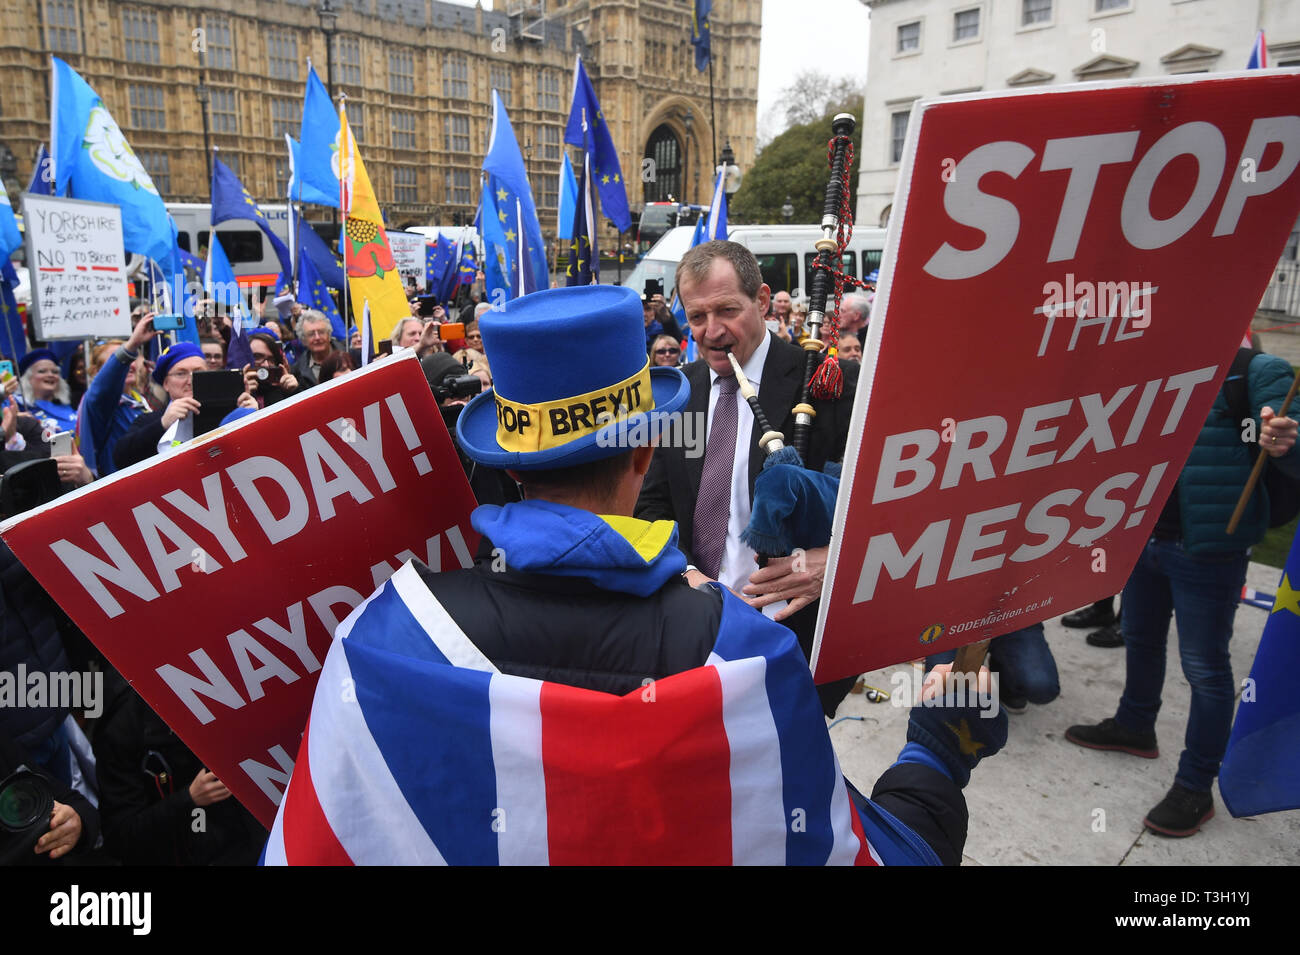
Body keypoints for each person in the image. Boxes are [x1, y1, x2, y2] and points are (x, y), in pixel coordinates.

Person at [263, 284, 1005, 866]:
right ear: (645, 452)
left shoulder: (378, 640)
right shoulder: (742, 655)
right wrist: (934, 751)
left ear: (506, 462)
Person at [1066, 345, 1300, 837]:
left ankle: (1195, 785)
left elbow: (1290, 438)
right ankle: (1134, 725)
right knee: (1140, 637)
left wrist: (1284, 441)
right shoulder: (1151, 361)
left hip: (1209, 548)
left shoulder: (1256, 371)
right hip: (1141, 535)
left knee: (1206, 670)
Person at [635, 240, 860, 715]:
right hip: (693, 633)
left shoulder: (825, 382)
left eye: (727, 311)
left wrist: (834, 562)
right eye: (697, 318)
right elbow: (652, 507)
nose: (711, 331)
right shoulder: (679, 391)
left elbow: (876, 502)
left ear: (761, 301)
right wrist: (685, 573)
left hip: (791, 639)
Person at [112, 342, 255, 470]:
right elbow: (121, 458)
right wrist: (162, 425)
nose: (190, 380)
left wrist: (252, 414)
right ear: (166, 384)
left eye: (198, 372)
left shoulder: (229, 412)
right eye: (181, 373)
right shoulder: (149, 420)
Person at [76, 313, 156, 478]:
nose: (129, 365)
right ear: (98, 372)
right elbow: (104, 388)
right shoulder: (99, 405)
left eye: (131, 360)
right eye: (119, 361)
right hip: (122, 487)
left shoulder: (139, 401)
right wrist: (131, 345)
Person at [18, 349, 77, 436]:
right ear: (28, 378)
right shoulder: (18, 406)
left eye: (55, 372)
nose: (50, 375)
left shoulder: (71, 406)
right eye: (42, 371)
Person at [242, 330, 301, 407]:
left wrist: (294, 392)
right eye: (257, 357)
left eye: (271, 359)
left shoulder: (283, 389)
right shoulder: (232, 391)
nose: (266, 365)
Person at [291, 311, 341, 388]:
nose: (317, 337)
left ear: (329, 334)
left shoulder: (349, 356)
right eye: (311, 334)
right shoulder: (297, 371)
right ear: (304, 340)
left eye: (321, 332)